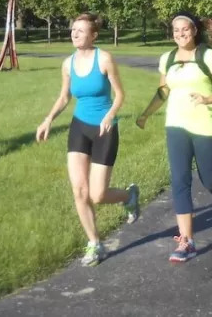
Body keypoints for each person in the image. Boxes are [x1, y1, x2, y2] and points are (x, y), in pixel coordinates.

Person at [36, 13, 140, 267]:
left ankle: (128, 197)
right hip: (79, 128)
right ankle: (95, 243)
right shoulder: (67, 64)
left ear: (93, 35)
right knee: (79, 190)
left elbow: (119, 94)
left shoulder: (104, 59)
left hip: (105, 130)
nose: (75, 34)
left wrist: (110, 115)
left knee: (97, 194)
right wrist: (48, 119)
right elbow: (64, 97)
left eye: (81, 31)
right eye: (73, 30)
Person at [137, 12, 212, 263]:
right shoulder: (167, 58)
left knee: (210, 179)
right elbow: (163, 91)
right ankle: (187, 241)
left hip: (204, 124)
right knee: (179, 180)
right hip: (176, 124)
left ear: (194, 31)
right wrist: (146, 115)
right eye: (175, 30)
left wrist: (208, 99)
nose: (180, 34)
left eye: (185, 30)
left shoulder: (207, 55)